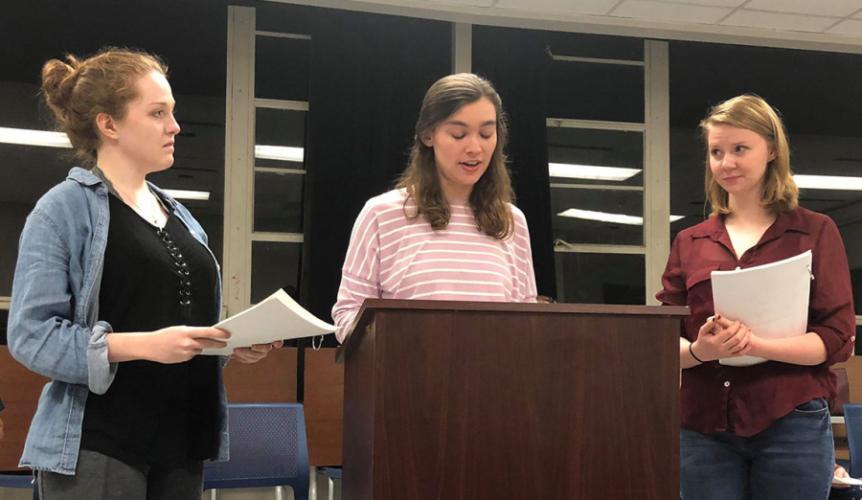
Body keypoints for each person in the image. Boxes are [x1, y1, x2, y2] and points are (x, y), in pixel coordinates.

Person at [7, 48, 280, 500]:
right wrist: (144, 345)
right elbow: (31, 335)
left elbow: (179, 325)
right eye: (157, 113)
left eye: (172, 113)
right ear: (108, 124)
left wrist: (227, 343)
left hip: (183, 441)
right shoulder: (63, 209)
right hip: (101, 445)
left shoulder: (181, 217)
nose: (174, 126)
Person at [657, 94, 855, 500]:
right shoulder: (690, 241)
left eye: (739, 149)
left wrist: (754, 344)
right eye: (716, 152)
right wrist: (701, 351)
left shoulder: (815, 231)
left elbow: (835, 338)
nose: (726, 162)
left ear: (770, 150)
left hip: (792, 422)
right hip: (703, 427)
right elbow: (661, 340)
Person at [332, 73, 537, 342]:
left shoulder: (512, 221)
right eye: (458, 134)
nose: (475, 147)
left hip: (494, 378)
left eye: (486, 133)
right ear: (428, 135)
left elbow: (528, 320)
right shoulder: (381, 214)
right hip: (409, 377)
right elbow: (348, 315)